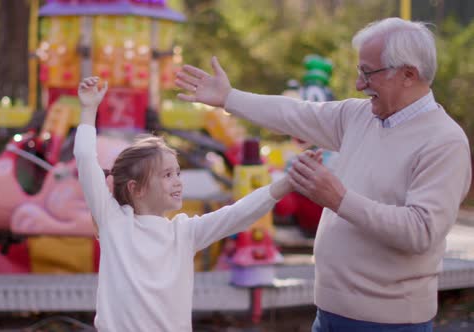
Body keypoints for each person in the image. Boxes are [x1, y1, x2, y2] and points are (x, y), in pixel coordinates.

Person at [175, 17, 471, 332]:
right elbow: (295, 114)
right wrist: (229, 98)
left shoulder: (444, 142)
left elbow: (420, 232)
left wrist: (338, 199)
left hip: (388, 324)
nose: (359, 84)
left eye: (367, 72)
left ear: (408, 74)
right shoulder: (361, 116)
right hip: (329, 315)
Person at [74, 76, 319, 331]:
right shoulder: (114, 222)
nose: (178, 181)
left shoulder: (184, 232)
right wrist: (88, 109)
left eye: (178, 173)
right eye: (167, 175)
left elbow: (238, 214)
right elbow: (84, 158)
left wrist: (286, 183)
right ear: (136, 188)